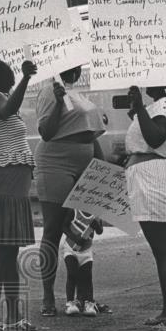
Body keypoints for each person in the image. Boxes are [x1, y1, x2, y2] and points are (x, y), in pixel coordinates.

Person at [35, 66, 107, 317]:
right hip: (56, 161)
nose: (76, 70)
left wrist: (103, 167)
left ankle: (83, 298)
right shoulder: (48, 91)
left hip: (84, 159)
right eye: (73, 66)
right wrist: (56, 101)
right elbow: (46, 131)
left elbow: (90, 133)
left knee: (84, 228)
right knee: (53, 229)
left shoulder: (77, 94)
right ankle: (47, 296)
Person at [124, 84, 166, 331]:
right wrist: (140, 111)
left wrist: (140, 107)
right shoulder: (165, 105)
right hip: (153, 176)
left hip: (155, 178)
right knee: (161, 250)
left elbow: (155, 137)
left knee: (164, 251)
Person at [0, 58, 38, 331]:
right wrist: (26, 79)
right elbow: (8, 108)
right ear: (5, 78)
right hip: (5, 183)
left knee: (9, 251)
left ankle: (14, 314)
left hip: (11, 183)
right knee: (2, 252)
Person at [61, 210, 110, 317]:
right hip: (70, 249)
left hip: (86, 252)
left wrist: (97, 225)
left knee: (87, 277)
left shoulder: (96, 215)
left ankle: (89, 303)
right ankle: (70, 302)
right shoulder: (73, 211)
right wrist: (75, 238)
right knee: (72, 274)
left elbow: (100, 231)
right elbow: (64, 226)